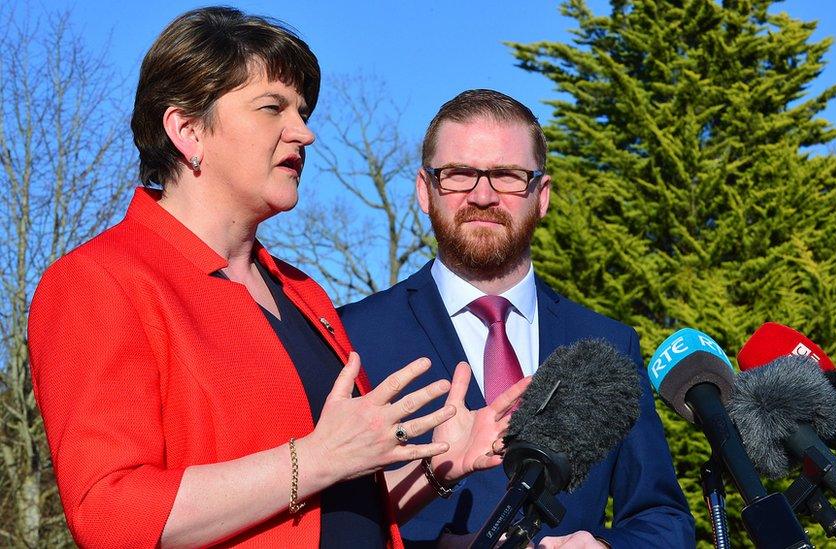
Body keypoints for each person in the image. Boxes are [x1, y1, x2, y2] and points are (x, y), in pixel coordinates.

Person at [27, 9, 527, 548]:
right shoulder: (98, 281)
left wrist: (436, 467)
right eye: (272, 108)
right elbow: (108, 515)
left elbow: (335, 504)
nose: (305, 133)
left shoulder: (303, 292)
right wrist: (313, 458)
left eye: (303, 111)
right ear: (187, 129)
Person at [340, 89, 695, 548]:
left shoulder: (609, 344)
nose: (483, 195)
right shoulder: (352, 335)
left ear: (541, 196)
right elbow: (326, 520)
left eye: (507, 176)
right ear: (425, 191)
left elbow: (663, 519)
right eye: (460, 174)